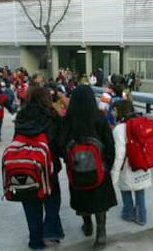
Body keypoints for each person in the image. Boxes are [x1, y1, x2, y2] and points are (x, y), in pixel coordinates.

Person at [59, 85, 117, 248]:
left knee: (82, 198)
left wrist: (69, 160)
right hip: (99, 169)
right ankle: (101, 235)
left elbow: (60, 144)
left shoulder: (68, 119)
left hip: (77, 169)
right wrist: (107, 164)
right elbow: (109, 144)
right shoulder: (99, 117)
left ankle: (87, 226)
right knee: (100, 203)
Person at [14, 87, 65, 249]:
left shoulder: (21, 116)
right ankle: (51, 233)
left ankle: (35, 241)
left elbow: (16, 140)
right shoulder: (52, 115)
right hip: (48, 167)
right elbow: (59, 143)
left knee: (30, 204)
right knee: (52, 201)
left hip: (26, 167)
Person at [111, 100, 152, 226]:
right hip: (142, 163)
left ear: (121, 111)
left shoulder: (119, 129)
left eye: (115, 110)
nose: (112, 112)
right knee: (140, 190)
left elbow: (119, 154)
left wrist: (114, 173)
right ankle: (142, 216)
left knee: (125, 188)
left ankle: (128, 213)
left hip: (128, 166)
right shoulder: (141, 122)